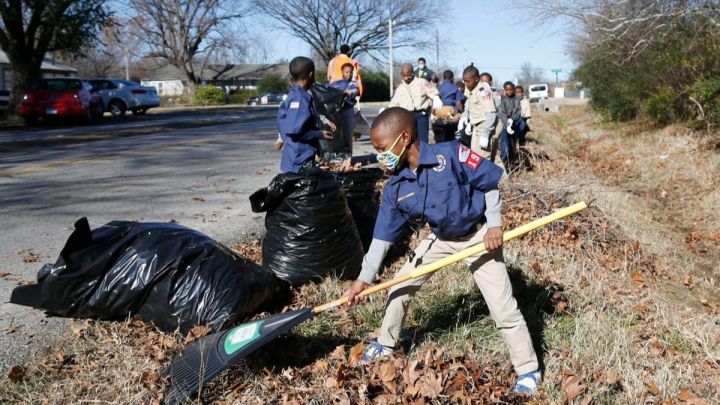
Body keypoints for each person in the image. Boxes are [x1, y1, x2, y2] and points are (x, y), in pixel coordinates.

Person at [343, 107, 542, 395]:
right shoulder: (396, 186)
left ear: (405, 138)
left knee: (503, 309)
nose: (379, 156)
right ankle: (384, 344)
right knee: (400, 285)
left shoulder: (450, 154)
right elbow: (382, 238)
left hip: (478, 237)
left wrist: (495, 226)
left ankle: (528, 371)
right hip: (441, 239)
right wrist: (363, 279)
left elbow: (489, 184)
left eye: (382, 149)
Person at [277, 56, 335, 173]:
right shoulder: (299, 100)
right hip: (299, 160)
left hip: (294, 156)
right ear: (311, 75)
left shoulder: (294, 95)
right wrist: (320, 134)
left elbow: (284, 123)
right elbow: (295, 132)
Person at [389, 63, 439, 143]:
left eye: (407, 75)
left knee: (423, 140)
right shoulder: (400, 88)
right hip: (407, 117)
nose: (405, 78)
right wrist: (386, 111)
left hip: (421, 115)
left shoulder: (422, 82)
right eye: (403, 75)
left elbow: (433, 91)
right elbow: (394, 104)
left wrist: (436, 98)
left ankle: (424, 154)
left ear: (412, 73)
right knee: (409, 141)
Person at [462, 67, 497, 156]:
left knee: (481, 158)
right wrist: (466, 117)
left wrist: (485, 134)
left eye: (468, 81)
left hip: (484, 126)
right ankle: (501, 171)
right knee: (494, 159)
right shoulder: (472, 89)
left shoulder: (483, 91)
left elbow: (491, 113)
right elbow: (469, 105)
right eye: (464, 81)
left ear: (476, 79)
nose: (466, 84)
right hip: (476, 126)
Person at [330, 63, 360, 155]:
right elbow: (327, 91)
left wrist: (350, 92)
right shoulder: (336, 84)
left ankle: (348, 157)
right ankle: (337, 157)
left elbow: (355, 91)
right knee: (336, 135)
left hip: (348, 111)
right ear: (342, 72)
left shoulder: (353, 85)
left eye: (350, 72)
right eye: (346, 72)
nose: (349, 74)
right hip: (336, 113)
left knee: (348, 135)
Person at [496, 81, 523, 170]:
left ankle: (511, 163)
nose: (509, 91)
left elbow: (518, 113)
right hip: (504, 126)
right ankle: (504, 163)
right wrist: (507, 121)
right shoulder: (502, 99)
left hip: (513, 126)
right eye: (507, 90)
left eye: (511, 90)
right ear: (505, 90)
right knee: (504, 145)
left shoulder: (517, 99)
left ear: (514, 90)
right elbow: (501, 113)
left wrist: (512, 119)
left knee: (512, 145)